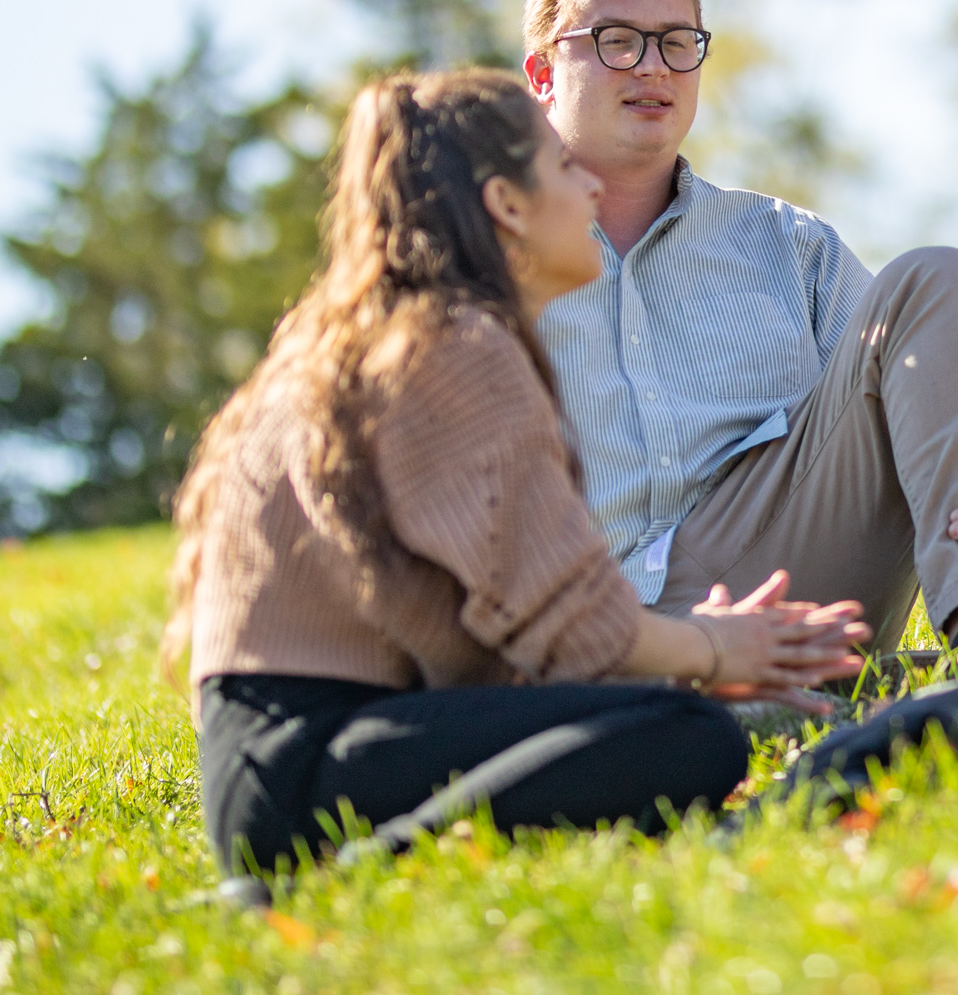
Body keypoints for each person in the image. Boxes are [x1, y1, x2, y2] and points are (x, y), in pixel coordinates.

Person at [170, 70, 870, 879]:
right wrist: (715, 648)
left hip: (284, 767)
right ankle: (343, 868)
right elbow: (574, 623)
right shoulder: (460, 348)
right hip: (312, 770)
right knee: (691, 735)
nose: (590, 188)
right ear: (507, 204)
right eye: (565, 169)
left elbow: (523, 636)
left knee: (664, 718)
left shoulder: (388, 340)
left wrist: (679, 664)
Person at [520, 0, 958, 655]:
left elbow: (926, 407)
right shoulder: (482, 261)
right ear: (542, 74)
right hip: (584, 633)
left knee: (938, 277)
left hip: (789, 581)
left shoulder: (787, 243)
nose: (654, 66)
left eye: (678, 42)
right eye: (617, 40)